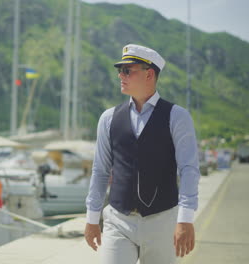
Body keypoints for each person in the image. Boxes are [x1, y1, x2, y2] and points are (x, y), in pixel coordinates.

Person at [84, 44, 200, 264]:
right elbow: (100, 171)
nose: (121, 75)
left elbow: (189, 169)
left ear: (149, 74)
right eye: (120, 70)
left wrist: (185, 220)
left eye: (128, 70)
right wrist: (92, 218)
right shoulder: (108, 118)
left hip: (163, 222)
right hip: (118, 220)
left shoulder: (177, 117)